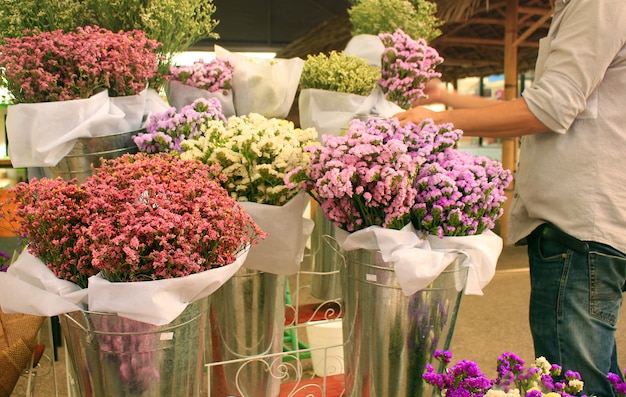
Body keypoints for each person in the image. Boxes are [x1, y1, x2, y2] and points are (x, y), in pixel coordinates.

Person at [394, 1, 626, 395]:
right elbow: (536, 105)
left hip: (578, 228)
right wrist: (444, 97)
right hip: (579, 226)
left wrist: (432, 120)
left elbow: (548, 110)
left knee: (574, 384)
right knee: (597, 376)